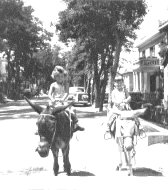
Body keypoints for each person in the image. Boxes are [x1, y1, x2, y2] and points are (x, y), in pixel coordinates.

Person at [35, 65, 84, 135]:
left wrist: (62, 100)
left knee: (72, 110)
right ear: (55, 77)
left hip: (63, 101)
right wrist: (52, 99)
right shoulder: (53, 85)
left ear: (64, 76)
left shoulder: (66, 84)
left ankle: (76, 124)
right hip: (54, 102)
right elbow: (49, 94)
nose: (60, 78)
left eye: (62, 76)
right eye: (58, 76)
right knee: (44, 112)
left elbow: (67, 93)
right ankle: (39, 127)